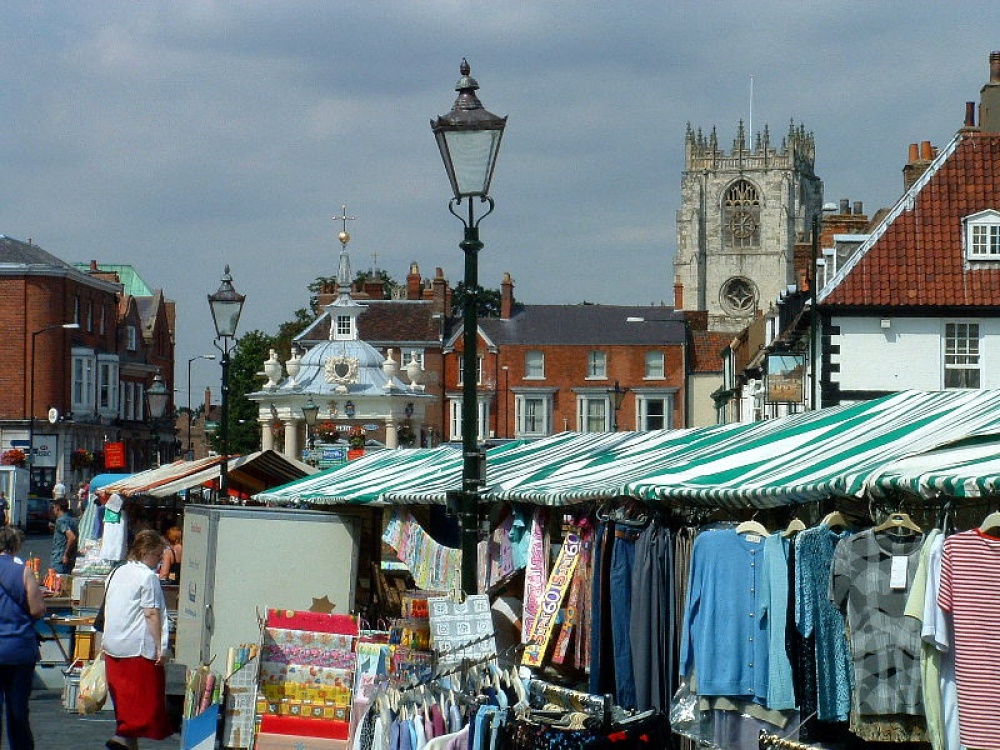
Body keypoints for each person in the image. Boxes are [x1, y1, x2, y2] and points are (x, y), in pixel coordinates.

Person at [103, 530, 173, 750]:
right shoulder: (147, 577)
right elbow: (151, 613)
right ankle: (121, 739)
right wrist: (161, 647)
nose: (161, 560)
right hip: (137, 647)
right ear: (149, 552)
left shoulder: (117, 572)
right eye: (159, 555)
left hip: (114, 645)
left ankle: (125, 741)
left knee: (124, 704)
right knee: (144, 707)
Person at [0, 526, 46, 750]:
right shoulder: (23, 571)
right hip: (19, 647)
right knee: (18, 711)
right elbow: (37, 609)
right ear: (15, 546)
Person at [49, 492, 78, 575]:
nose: (53, 510)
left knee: (56, 581)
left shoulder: (60, 520)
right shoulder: (73, 519)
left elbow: (71, 537)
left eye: (53, 508)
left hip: (60, 557)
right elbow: (66, 532)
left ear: (58, 508)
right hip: (71, 557)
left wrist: (66, 555)